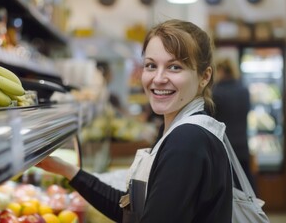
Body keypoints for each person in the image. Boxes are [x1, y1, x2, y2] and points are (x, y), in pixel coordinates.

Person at [36, 19, 232, 223]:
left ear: (204, 76)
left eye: (174, 67)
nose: (158, 78)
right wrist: (66, 169)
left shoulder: (187, 141)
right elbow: (131, 211)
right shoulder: (180, 130)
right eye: (151, 65)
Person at [212, 57, 255, 191]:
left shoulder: (215, 92)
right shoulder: (244, 90)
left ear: (220, 71)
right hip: (242, 144)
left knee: (228, 188)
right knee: (246, 185)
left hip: (224, 146)